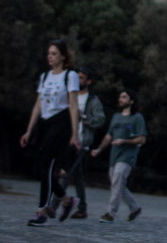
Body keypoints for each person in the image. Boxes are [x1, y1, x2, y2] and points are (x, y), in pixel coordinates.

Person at [19, 39, 82, 227]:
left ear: (63, 56)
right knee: (43, 169)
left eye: (54, 53)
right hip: (45, 124)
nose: (50, 57)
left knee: (46, 166)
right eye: (49, 53)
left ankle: (42, 212)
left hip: (61, 124)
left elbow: (73, 105)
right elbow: (38, 104)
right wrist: (29, 130)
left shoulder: (70, 76)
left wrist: (74, 133)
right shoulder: (45, 76)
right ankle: (66, 200)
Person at [48, 67, 106, 219]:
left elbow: (100, 120)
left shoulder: (92, 100)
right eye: (78, 77)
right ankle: (82, 209)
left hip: (81, 142)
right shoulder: (70, 96)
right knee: (78, 177)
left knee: (65, 173)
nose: (79, 80)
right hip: (67, 140)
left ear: (88, 81)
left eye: (82, 78)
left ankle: (54, 206)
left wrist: (85, 117)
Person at [91, 89, 146, 223]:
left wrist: (124, 141)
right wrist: (99, 150)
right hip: (114, 156)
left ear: (131, 101)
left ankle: (110, 213)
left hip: (127, 156)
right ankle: (134, 208)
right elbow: (108, 136)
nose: (120, 99)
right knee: (118, 185)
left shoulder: (137, 118)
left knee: (117, 183)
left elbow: (142, 139)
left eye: (124, 97)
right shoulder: (116, 117)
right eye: (120, 97)